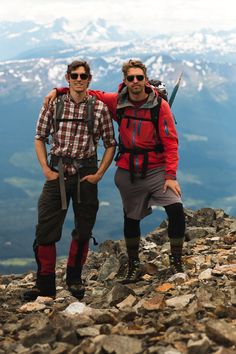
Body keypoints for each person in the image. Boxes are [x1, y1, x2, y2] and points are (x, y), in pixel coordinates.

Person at [44, 59, 186, 284]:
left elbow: (171, 141)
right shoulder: (117, 101)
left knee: (176, 209)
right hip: (128, 170)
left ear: (145, 80)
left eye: (139, 77)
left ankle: (177, 261)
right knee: (131, 218)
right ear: (125, 81)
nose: (135, 81)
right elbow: (90, 92)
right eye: (131, 78)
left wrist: (170, 175)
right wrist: (59, 90)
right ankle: (133, 264)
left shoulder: (160, 106)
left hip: (157, 169)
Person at [23, 60, 116, 301]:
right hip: (57, 174)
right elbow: (39, 137)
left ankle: (74, 280)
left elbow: (110, 144)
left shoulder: (99, 108)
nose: (78, 79)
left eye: (83, 75)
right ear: (67, 78)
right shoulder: (54, 105)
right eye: (74, 75)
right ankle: (45, 285)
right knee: (45, 230)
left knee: (83, 230)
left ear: (89, 79)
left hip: (87, 174)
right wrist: (45, 168)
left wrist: (99, 174)